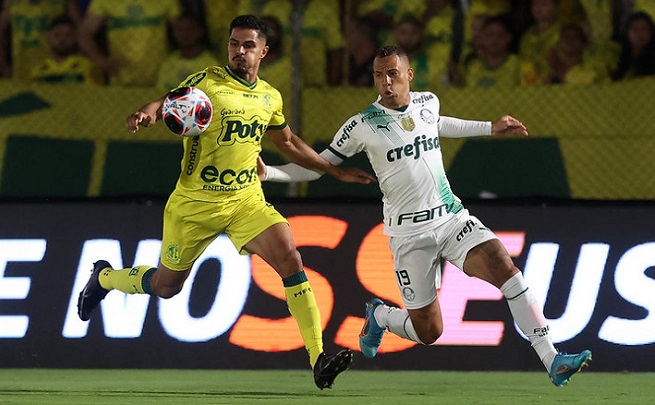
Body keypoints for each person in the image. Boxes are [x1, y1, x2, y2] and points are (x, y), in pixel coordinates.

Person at [260, 45, 592, 387]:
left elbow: (438, 123)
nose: (385, 82)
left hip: (451, 219)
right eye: (378, 75)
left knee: (505, 269)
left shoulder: (427, 102)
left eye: (392, 73)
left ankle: (552, 358)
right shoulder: (362, 124)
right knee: (429, 331)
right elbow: (318, 166)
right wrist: (270, 173)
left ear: (409, 75)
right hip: (409, 237)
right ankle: (381, 315)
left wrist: (489, 128)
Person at [77, 15, 375, 390]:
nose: (239, 51)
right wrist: (148, 112)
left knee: (290, 257)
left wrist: (336, 171)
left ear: (264, 51)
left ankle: (318, 359)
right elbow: (167, 101)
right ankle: (104, 278)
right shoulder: (208, 82)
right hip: (194, 204)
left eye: (248, 45)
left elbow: (288, 143)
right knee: (167, 287)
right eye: (234, 44)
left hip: (245, 200)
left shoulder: (270, 96)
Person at [77, 0, 181, 87]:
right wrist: (102, 61)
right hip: (121, 81)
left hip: (159, 80)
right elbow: (84, 34)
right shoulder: (105, 2)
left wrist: (174, 63)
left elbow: (186, 30)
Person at [0, 0, 81, 80]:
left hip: (54, 72)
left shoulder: (65, 2)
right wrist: (3, 66)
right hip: (20, 70)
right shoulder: (10, 2)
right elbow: (2, 30)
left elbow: (79, 31)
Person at [30, 15, 102, 84]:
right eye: (57, 34)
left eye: (68, 34)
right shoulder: (37, 71)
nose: (62, 39)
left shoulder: (88, 67)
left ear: (76, 37)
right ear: (49, 36)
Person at [155, 15, 219, 91]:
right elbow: (161, 91)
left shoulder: (211, 64)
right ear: (173, 34)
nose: (185, 33)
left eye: (189, 29)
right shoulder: (169, 62)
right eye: (180, 29)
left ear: (200, 31)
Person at [612, 11, 655, 80]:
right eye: (635, 29)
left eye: (644, 29)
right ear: (627, 33)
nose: (640, 34)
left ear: (651, 32)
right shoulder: (616, 54)